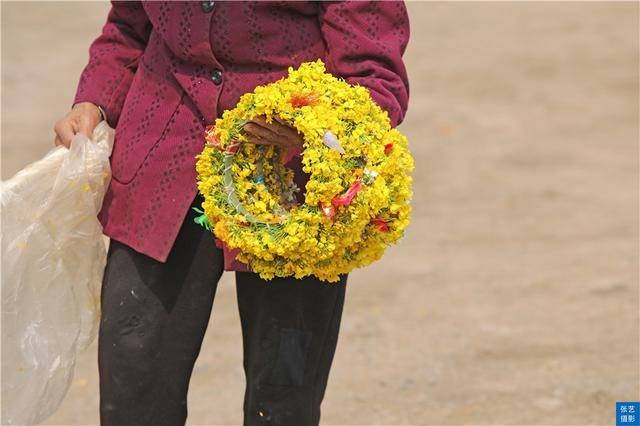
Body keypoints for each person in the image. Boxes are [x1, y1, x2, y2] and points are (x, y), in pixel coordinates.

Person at [53, 1, 409, 425]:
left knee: (282, 392)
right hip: (164, 152)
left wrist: (316, 126)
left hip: (293, 183)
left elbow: (374, 73)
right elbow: (129, 27)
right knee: (134, 376)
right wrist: (94, 99)